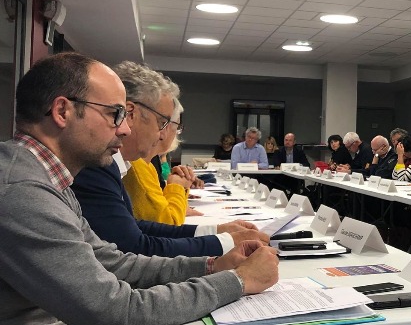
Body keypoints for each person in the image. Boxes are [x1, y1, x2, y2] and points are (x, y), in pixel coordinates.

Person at [0, 53, 278, 324]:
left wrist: (214, 265)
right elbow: (117, 311)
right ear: (63, 111)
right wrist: (239, 280)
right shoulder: (23, 192)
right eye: (114, 114)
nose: (124, 129)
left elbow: (115, 263)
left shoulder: (48, 179)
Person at [73, 61, 268, 258]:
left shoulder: (111, 165)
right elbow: (134, 245)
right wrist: (225, 244)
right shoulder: (96, 164)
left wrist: (218, 232)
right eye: (162, 123)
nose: (162, 135)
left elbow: (136, 228)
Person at [123, 95, 190, 225]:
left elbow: (161, 207)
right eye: (177, 127)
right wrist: (177, 186)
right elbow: (169, 224)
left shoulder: (148, 166)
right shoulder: (137, 166)